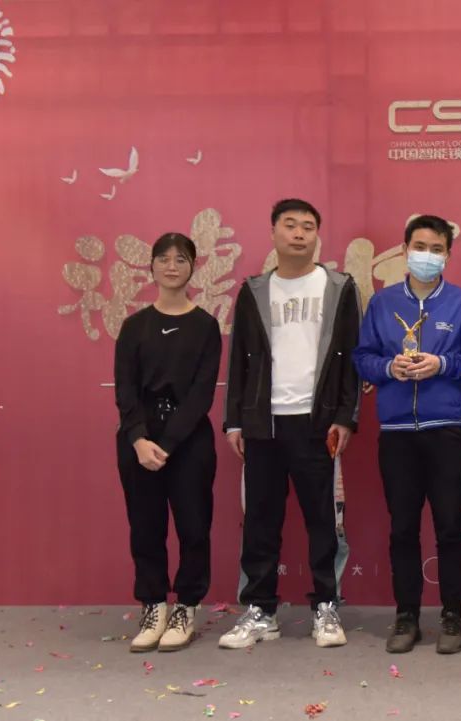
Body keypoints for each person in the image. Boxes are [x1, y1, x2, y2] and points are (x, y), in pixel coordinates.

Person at [219, 198, 361, 649]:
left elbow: (352, 360)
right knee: (260, 521)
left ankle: (326, 606)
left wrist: (346, 417)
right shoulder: (254, 290)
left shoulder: (338, 287)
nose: (299, 233)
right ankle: (261, 610)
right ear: (273, 232)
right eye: (290, 225)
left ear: (317, 235)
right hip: (264, 424)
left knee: (323, 520)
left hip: (318, 424)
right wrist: (234, 422)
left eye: (308, 226)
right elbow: (239, 360)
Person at [353, 214, 461, 655]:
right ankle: (406, 616)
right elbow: (362, 358)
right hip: (396, 432)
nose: (427, 255)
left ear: (448, 255)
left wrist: (443, 364)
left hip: (445, 430)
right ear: (404, 250)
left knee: (450, 526)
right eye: (419, 247)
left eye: (436, 249)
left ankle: (453, 615)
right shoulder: (382, 303)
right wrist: (388, 367)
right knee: (402, 528)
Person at [114, 232, 221, 652]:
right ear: (152, 266)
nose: (171, 266)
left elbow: (201, 394)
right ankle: (154, 605)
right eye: (163, 258)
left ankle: (186, 607)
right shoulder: (134, 326)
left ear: (193, 267)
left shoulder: (205, 326)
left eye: (180, 259)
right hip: (139, 441)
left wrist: (170, 442)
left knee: (194, 527)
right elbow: (125, 390)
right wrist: (139, 439)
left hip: (189, 441)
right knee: (145, 527)